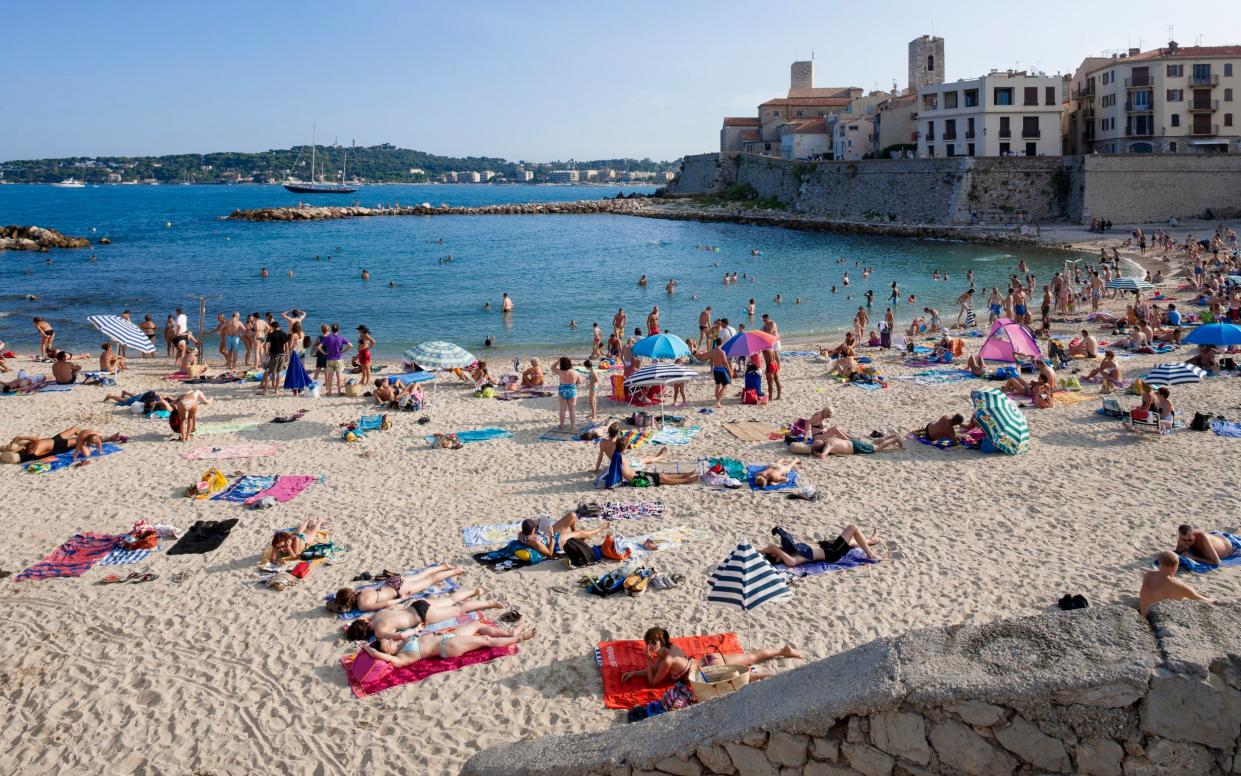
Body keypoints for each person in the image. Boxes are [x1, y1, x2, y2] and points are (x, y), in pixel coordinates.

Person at [621, 627, 803, 686]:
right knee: (751, 656)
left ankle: (769, 676)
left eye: (652, 644)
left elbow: (654, 681)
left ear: (660, 643)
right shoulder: (671, 648)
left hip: (708, 671)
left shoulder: (667, 659)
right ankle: (782, 651)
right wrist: (636, 673)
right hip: (709, 659)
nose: (649, 647)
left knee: (739, 680)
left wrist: (646, 660)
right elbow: (657, 668)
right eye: (648, 643)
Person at [359, 621, 536, 668]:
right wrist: (370, 650)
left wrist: (418, 628)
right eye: (387, 643)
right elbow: (382, 657)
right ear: (386, 652)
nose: (390, 640)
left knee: (477, 625)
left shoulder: (402, 642)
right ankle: (520, 638)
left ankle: (510, 633)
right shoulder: (403, 656)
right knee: (486, 641)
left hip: (447, 636)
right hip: (448, 647)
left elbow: (408, 633)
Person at [344, 590, 505, 641]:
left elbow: (401, 637)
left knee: (459, 610)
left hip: (423, 615)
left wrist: (416, 630)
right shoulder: (376, 616)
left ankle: (490, 603)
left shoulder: (379, 631)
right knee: (450, 599)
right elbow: (397, 606)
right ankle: (474, 590)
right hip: (416, 605)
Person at [327, 565, 467, 614]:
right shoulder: (360, 591)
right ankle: (443, 566)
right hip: (392, 582)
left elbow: (385, 604)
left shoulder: (363, 605)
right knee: (422, 574)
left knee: (430, 580)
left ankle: (456, 570)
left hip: (398, 590)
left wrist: (401, 600)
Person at [760, 524, 883, 566]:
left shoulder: (789, 550)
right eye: (776, 553)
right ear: (776, 557)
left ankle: (871, 540)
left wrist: (761, 551)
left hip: (828, 546)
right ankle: (870, 555)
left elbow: (764, 550)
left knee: (849, 544)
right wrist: (775, 549)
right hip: (833, 553)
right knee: (853, 528)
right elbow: (792, 562)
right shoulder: (794, 557)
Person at [1140, 551, 1209, 616]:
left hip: (1143, 615)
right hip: (1158, 621)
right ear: (1175, 566)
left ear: (1160, 563)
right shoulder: (1177, 585)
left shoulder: (1148, 574)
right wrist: (1213, 600)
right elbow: (1201, 599)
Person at [518, 512, 607, 559]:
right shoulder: (535, 542)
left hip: (546, 535)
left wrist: (541, 523)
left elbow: (528, 534)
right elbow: (549, 553)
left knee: (572, 516)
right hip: (556, 542)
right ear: (533, 530)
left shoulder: (521, 534)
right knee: (581, 533)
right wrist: (552, 535)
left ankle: (577, 538)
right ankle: (601, 528)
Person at [594, 422, 667, 474]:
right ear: (617, 433)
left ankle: (655, 456)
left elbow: (600, 457)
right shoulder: (617, 442)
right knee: (644, 460)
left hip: (614, 464)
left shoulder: (602, 441)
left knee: (641, 459)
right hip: (624, 464)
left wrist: (596, 470)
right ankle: (660, 456)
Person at [810, 426, 903, 457]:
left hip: (855, 447)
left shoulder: (828, 445)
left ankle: (895, 439)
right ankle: (892, 436)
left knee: (876, 448)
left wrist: (814, 452)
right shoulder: (828, 440)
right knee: (873, 444)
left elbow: (822, 456)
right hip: (852, 442)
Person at [318, 324, 352, 396]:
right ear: (338, 330)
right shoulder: (341, 337)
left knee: (330, 376)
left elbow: (319, 347)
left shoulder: (327, 338)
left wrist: (324, 353)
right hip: (339, 358)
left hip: (330, 358)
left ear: (331, 329)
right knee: (338, 376)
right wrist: (344, 351)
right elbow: (350, 345)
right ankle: (339, 391)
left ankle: (329, 392)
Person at [258, 320, 289, 396]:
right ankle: (276, 390)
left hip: (274, 355)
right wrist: (286, 355)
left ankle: (265, 391)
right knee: (279, 373)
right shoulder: (284, 334)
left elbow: (265, 345)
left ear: (273, 327)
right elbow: (287, 346)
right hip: (282, 355)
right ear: (279, 326)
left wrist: (267, 353)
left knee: (269, 373)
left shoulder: (271, 335)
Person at [555, 356, 581, 430]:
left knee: (562, 409)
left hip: (562, 390)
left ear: (561, 364)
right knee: (572, 410)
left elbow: (552, 368)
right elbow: (579, 382)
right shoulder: (575, 372)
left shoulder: (560, 371)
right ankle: (573, 426)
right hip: (572, 390)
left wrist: (557, 361)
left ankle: (562, 425)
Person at [708, 338, 733, 408]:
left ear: (715, 343)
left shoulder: (712, 351)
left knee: (717, 385)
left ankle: (717, 401)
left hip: (715, 370)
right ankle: (718, 402)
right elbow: (725, 362)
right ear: (721, 343)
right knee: (724, 386)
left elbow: (711, 361)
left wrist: (711, 369)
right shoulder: (722, 352)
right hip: (722, 370)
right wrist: (730, 371)